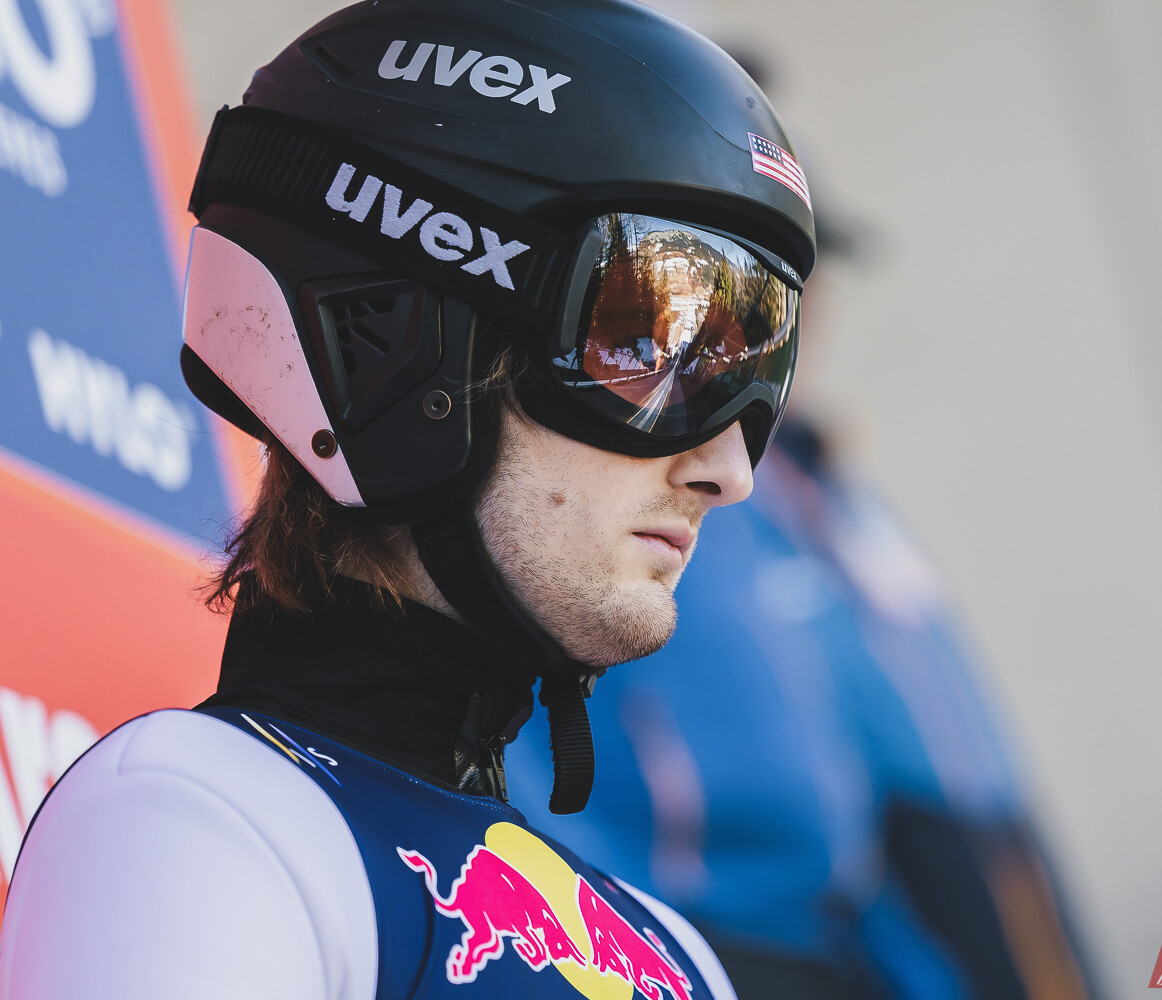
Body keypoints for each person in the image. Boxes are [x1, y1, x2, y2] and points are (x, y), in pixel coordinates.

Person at [0, 0, 814, 996]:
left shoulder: (675, 953)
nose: (729, 469)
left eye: (755, 370)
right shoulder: (202, 818)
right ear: (401, 341)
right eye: (647, 348)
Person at [504, 420, 1093, 999]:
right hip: (706, 921)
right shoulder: (662, 490)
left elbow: (856, 703)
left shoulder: (815, 482)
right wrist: (608, 916)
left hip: (896, 876)